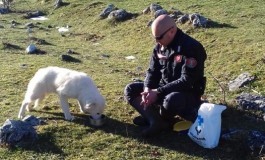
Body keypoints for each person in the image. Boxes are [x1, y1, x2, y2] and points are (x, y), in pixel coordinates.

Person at [124, 14, 207, 137]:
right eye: (154, 38)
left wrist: (157, 92)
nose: (156, 41)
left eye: (159, 37)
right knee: (130, 89)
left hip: (186, 93)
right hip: (163, 88)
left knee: (171, 100)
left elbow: (186, 81)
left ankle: (159, 118)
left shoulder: (191, 48)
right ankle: (156, 121)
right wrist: (147, 90)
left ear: (172, 31)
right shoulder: (159, 47)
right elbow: (152, 71)